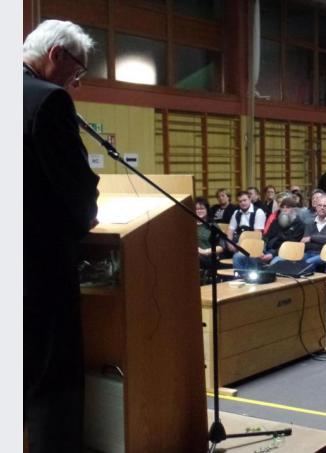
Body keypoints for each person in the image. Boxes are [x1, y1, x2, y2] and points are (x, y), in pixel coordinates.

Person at [24, 20, 101, 452]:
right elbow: (78, 192)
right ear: (56, 54)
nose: (75, 82)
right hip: (37, 275)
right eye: (77, 72)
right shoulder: (47, 100)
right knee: (51, 390)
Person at [299, 194, 326, 270]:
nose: (322, 208)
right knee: (295, 261)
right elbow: (305, 243)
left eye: (325, 206)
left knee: (307, 263)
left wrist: (311, 238)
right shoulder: (310, 223)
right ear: (316, 207)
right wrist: (321, 240)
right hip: (309, 252)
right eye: (319, 205)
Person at [196, 197, 224, 273]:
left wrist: (205, 251)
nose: (199, 211)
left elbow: (221, 247)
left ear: (207, 210)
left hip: (208, 257)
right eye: (197, 209)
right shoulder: (188, 225)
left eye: (202, 209)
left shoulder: (212, 226)